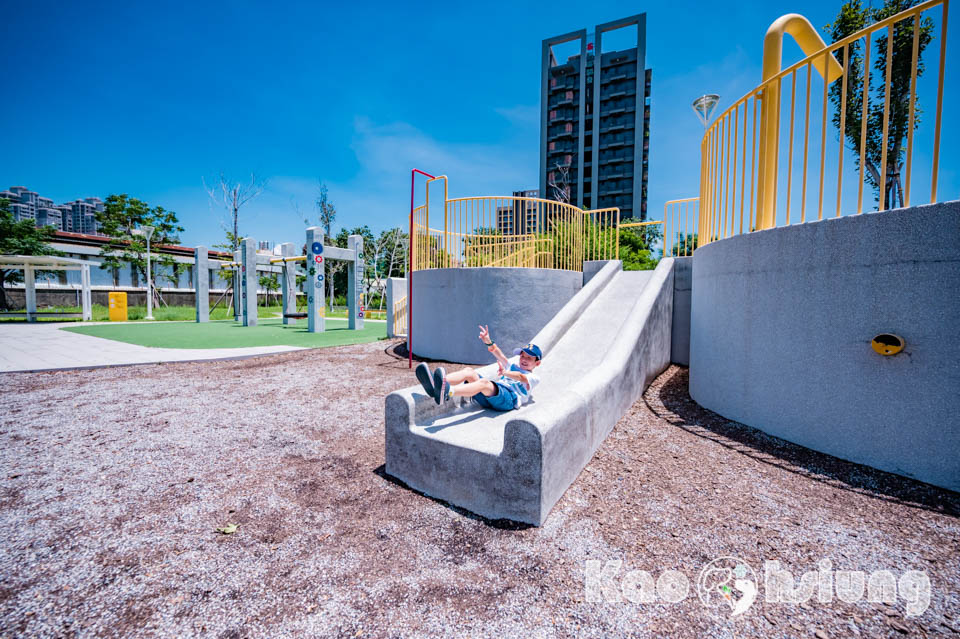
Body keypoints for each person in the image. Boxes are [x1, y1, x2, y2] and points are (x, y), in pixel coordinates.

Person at [414, 325, 542, 411]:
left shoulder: (534, 378)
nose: (524, 360)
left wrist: (506, 372)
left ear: (537, 363)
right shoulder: (512, 366)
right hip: (492, 396)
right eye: (523, 356)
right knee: (469, 372)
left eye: (529, 358)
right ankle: (438, 384)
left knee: (485, 383)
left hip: (508, 399)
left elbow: (521, 377)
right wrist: (487, 340)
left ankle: (448, 392)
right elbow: (497, 352)